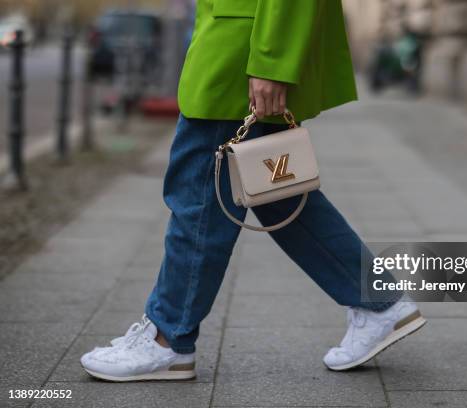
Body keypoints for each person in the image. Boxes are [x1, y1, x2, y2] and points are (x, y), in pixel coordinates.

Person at [80, 0, 426, 382]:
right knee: (278, 194)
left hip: (241, 54)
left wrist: (270, 62)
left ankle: (166, 339)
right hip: (241, 44)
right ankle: (379, 304)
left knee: (200, 196)